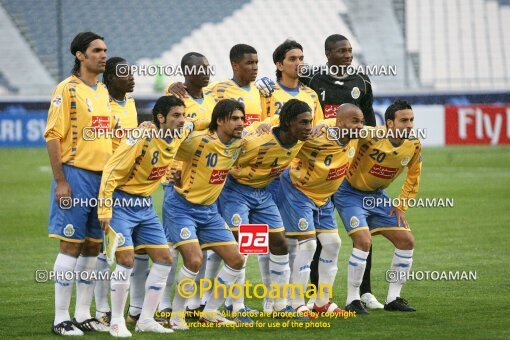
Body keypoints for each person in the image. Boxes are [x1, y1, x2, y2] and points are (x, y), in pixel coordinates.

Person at [98, 95, 190, 336]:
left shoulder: (180, 132)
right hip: (121, 202)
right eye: (176, 116)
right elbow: (111, 170)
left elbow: (203, 120)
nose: (182, 120)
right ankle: (117, 320)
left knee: (164, 259)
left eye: (183, 115)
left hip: (145, 206)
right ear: (160, 118)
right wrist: (105, 209)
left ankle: (146, 320)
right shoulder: (141, 135)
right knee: (126, 260)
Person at [300, 34, 380, 309]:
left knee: (362, 229)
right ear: (328, 54)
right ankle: (312, 291)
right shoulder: (311, 79)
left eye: (350, 50)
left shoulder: (362, 82)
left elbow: (368, 124)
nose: (348, 55)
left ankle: (364, 292)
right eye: (341, 51)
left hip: (349, 169)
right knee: (316, 236)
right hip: (318, 170)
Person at [218, 99, 313, 318]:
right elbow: (225, 152)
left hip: (262, 193)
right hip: (236, 192)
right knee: (243, 247)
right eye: (304, 122)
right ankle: (235, 306)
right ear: (289, 123)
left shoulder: (299, 138)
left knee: (280, 243)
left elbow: (272, 120)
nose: (308, 127)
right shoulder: (255, 142)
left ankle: (280, 304)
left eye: (310, 122)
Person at [45, 31, 111, 335]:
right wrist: (61, 181)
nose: (103, 55)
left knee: (93, 247)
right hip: (75, 174)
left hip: (102, 179)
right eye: (96, 50)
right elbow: (53, 136)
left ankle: (83, 313)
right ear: (79, 55)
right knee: (71, 244)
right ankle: (61, 317)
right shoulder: (66, 90)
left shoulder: (101, 91)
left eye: (105, 50)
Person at [163, 99, 246, 329]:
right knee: (194, 259)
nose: (241, 123)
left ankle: (210, 312)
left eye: (242, 118)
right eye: (235, 119)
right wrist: (170, 171)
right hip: (181, 206)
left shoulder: (240, 143)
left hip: (209, 211)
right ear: (219, 121)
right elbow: (167, 145)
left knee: (237, 259)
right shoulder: (197, 140)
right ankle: (176, 316)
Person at [334, 99, 421, 314]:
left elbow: (413, 175)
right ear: (390, 123)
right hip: (349, 193)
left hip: (377, 197)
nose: (409, 125)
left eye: (411, 120)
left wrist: (401, 206)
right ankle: (353, 299)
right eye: (404, 120)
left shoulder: (414, 144)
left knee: (406, 241)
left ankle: (393, 299)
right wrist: (322, 127)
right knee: (363, 241)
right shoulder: (370, 135)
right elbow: (342, 126)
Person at [277, 103, 363, 316]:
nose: (360, 126)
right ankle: (297, 303)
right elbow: (280, 128)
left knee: (333, 244)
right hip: (299, 191)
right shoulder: (316, 135)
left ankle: (322, 302)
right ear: (339, 122)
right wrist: (261, 126)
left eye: (361, 121)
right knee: (307, 246)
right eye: (355, 121)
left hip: (323, 198)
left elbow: (381, 133)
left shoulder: (356, 134)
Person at [93, 56, 137, 327]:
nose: (131, 78)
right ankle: (100, 310)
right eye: (124, 74)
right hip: (106, 183)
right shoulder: (101, 106)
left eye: (131, 73)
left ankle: (130, 309)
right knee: (102, 248)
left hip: (129, 187)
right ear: (109, 79)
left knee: (123, 249)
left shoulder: (130, 103)